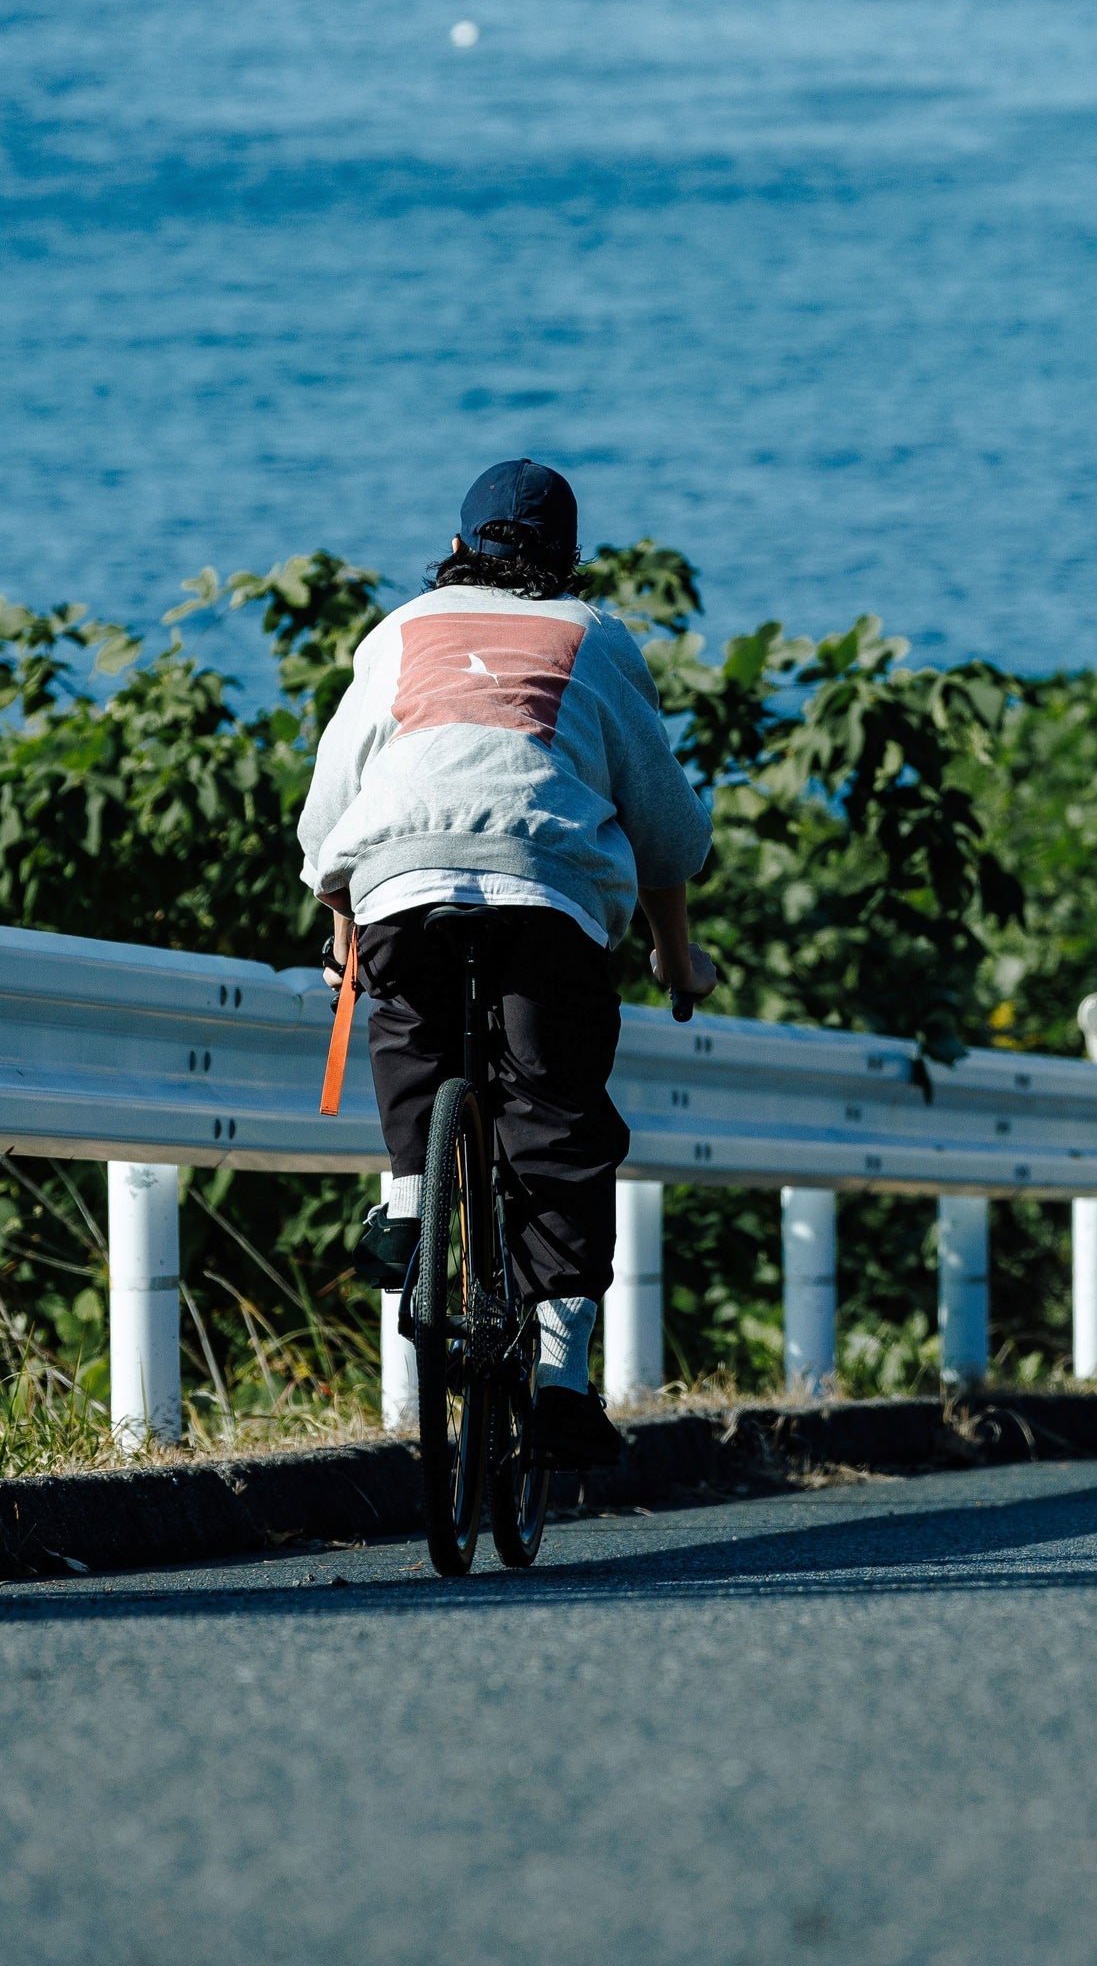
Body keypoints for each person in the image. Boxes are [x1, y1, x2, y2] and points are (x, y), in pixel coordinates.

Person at [296, 458, 716, 1470]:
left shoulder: (399, 631)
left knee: (410, 1036)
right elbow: (666, 835)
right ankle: (563, 1383)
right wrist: (677, 961)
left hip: (399, 878)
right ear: (570, 558)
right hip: (545, 892)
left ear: (456, 547)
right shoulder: (593, 635)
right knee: (557, 1119)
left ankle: (409, 1210)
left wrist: (343, 929)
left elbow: (332, 801)